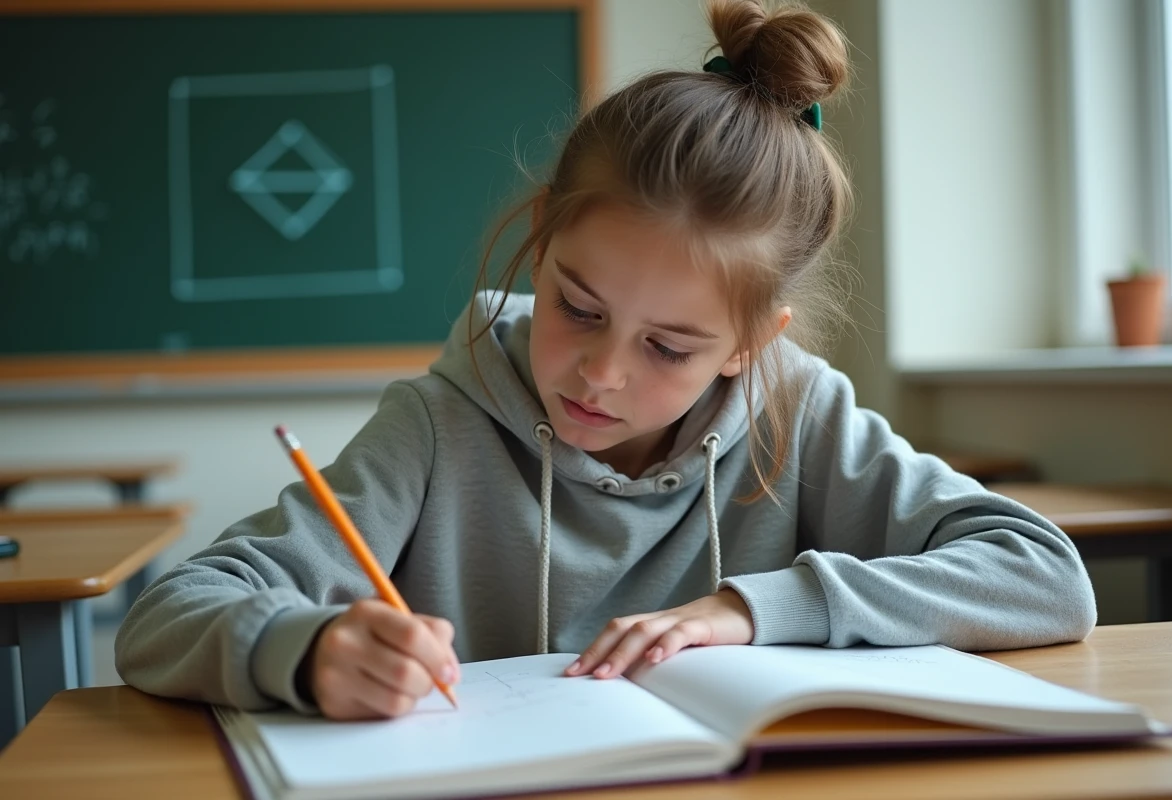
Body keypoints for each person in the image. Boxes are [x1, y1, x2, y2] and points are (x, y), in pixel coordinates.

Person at [116, 0, 1095, 721]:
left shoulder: (801, 410)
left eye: (669, 345)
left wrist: (755, 608)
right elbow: (165, 614)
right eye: (577, 307)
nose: (602, 372)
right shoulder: (433, 427)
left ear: (754, 343)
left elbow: (1044, 572)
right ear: (541, 240)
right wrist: (307, 645)